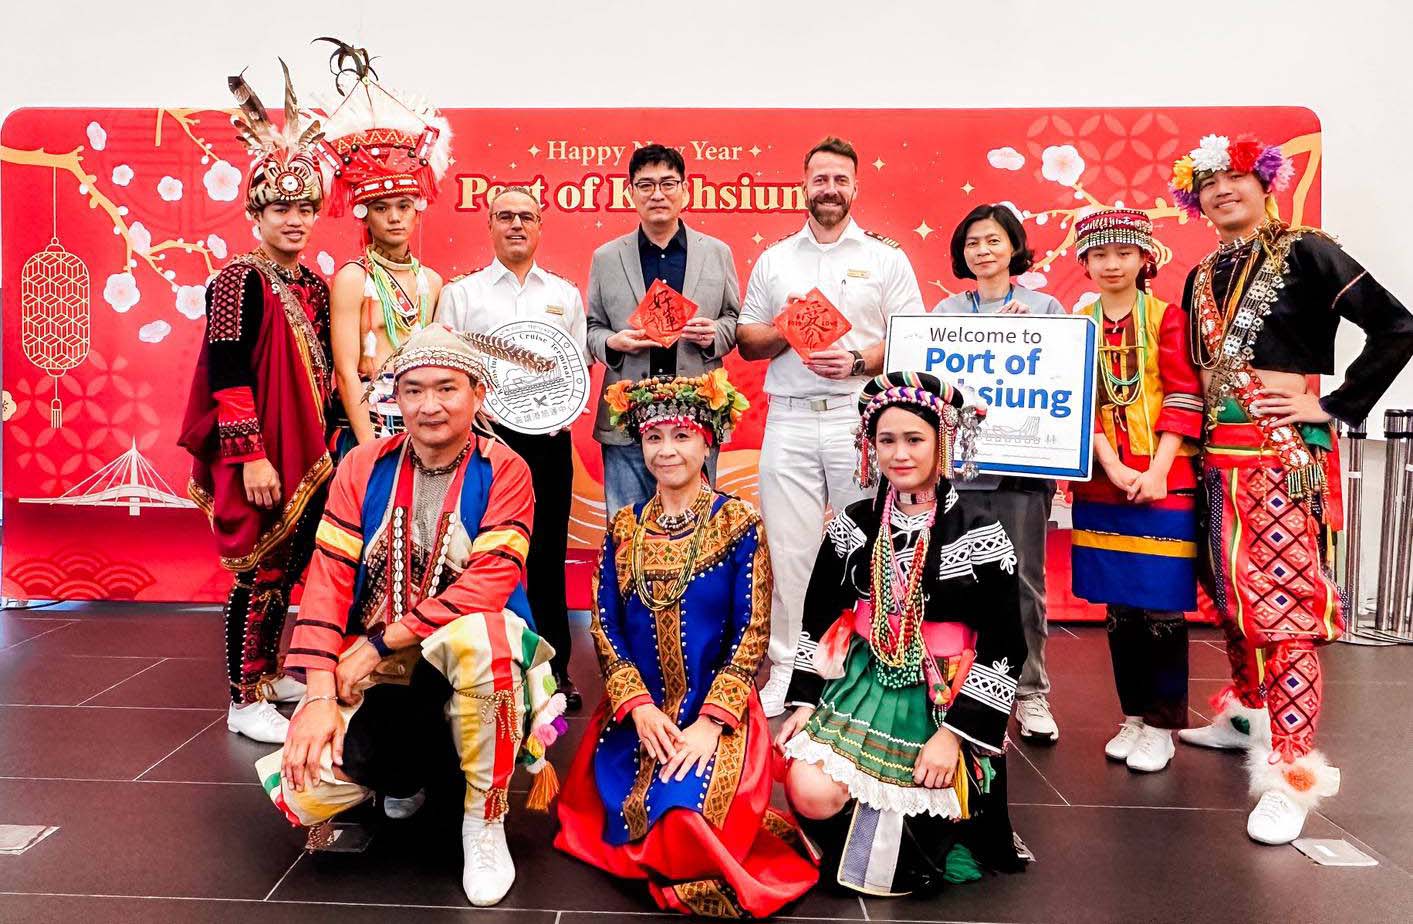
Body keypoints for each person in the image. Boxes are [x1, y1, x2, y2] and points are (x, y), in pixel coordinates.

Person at [254, 323, 568, 906]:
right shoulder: (361, 466)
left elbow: (489, 583)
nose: (430, 406)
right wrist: (318, 695)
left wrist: (379, 643)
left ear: (477, 394)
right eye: (414, 390)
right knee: (303, 790)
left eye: (447, 389)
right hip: (379, 673)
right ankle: (406, 775)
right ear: (395, 398)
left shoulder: (506, 469)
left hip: (471, 663)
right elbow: (327, 579)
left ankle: (484, 819)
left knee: (485, 636)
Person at [1169, 133, 1413, 843]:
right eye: (1208, 183)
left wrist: (1331, 404)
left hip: (1277, 456)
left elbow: (1398, 327)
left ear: (1264, 183)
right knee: (1231, 599)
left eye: (1235, 177)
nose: (1222, 190)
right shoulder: (1201, 273)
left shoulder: (1306, 250)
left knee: (1283, 615)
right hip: (1217, 459)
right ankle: (1247, 715)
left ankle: (1291, 771)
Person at [554, 370, 817, 917]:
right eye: (653, 437)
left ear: (708, 441)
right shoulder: (624, 526)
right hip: (639, 715)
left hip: (713, 712)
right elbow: (604, 625)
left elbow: (752, 631)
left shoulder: (738, 522)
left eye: (681, 436)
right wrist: (639, 708)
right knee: (627, 811)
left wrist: (711, 723)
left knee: (683, 817)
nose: (666, 450)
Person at [776, 371, 1027, 897]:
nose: (899, 454)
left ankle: (907, 834)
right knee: (808, 790)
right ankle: (872, 825)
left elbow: (1005, 642)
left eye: (914, 439)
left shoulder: (979, 529)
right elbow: (820, 614)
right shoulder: (853, 523)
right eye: (886, 440)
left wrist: (954, 734)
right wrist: (805, 698)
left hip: (944, 692)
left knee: (926, 808)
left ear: (943, 442)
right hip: (865, 679)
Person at [737, 136, 925, 716]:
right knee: (790, 550)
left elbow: (912, 336)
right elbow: (747, 340)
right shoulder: (775, 258)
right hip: (789, 419)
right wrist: (787, 326)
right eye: (820, 179)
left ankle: (859, 665)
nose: (830, 190)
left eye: (840, 180)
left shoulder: (886, 258)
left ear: (855, 187)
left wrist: (859, 361)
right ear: (804, 185)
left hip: (859, 418)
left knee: (866, 545)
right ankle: (788, 669)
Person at [179, 66, 333, 744]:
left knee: (291, 566)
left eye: (304, 209)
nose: (294, 221)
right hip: (262, 452)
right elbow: (227, 371)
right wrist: (250, 456)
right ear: (256, 216)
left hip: (307, 450)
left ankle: (269, 673)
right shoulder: (235, 281)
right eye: (280, 210)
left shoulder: (316, 286)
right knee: (259, 569)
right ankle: (242, 698)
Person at [439, 185, 590, 710]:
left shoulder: (565, 295)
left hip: (548, 443)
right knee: (477, 554)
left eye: (526, 216)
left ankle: (555, 670)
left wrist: (560, 409)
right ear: (490, 226)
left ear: (541, 225)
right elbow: (447, 365)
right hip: (484, 443)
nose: (516, 225)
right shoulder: (463, 293)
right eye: (505, 216)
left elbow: (574, 370)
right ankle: (477, 666)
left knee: (546, 557)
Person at [1067, 208, 1203, 773]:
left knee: (1160, 601)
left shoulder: (1168, 318)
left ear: (1145, 258)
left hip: (1164, 475)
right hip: (1104, 478)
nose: (1112, 264)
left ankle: (1164, 725)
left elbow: (1184, 394)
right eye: (1099, 255)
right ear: (1084, 263)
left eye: (1123, 253)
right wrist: (1110, 463)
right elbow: (1075, 399)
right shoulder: (1080, 323)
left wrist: (1157, 469)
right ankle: (1134, 716)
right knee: (1119, 603)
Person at [930, 204, 1065, 742]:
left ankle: (1030, 692)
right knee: (955, 580)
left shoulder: (1045, 308)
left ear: (1014, 247)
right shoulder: (945, 312)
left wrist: (1029, 339)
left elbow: (1063, 375)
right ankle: (957, 690)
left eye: (993, 240)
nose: (983, 251)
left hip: (1020, 473)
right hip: (958, 471)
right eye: (972, 243)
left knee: (1024, 581)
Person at [586, 144, 740, 516]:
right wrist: (613, 342)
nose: (658, 194)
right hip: (627, 413)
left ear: (685, 190)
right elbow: (592, 328)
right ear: (631, 193)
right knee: (626, 525)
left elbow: (734, 320)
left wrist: (714, 335)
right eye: (646, 185)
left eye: (668, 183)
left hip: (696, 411)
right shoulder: (606, 257)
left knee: (694, 528)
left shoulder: (716, 252)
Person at [316, 46, 451, 456]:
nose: (394, 217)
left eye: (403, 206)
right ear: (365, 215)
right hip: (368, 424)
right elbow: (345, 370)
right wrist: (369, 448)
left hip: (421, 422)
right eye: (381, 208)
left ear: (417, 212)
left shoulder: (431, 282)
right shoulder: (354, 278)